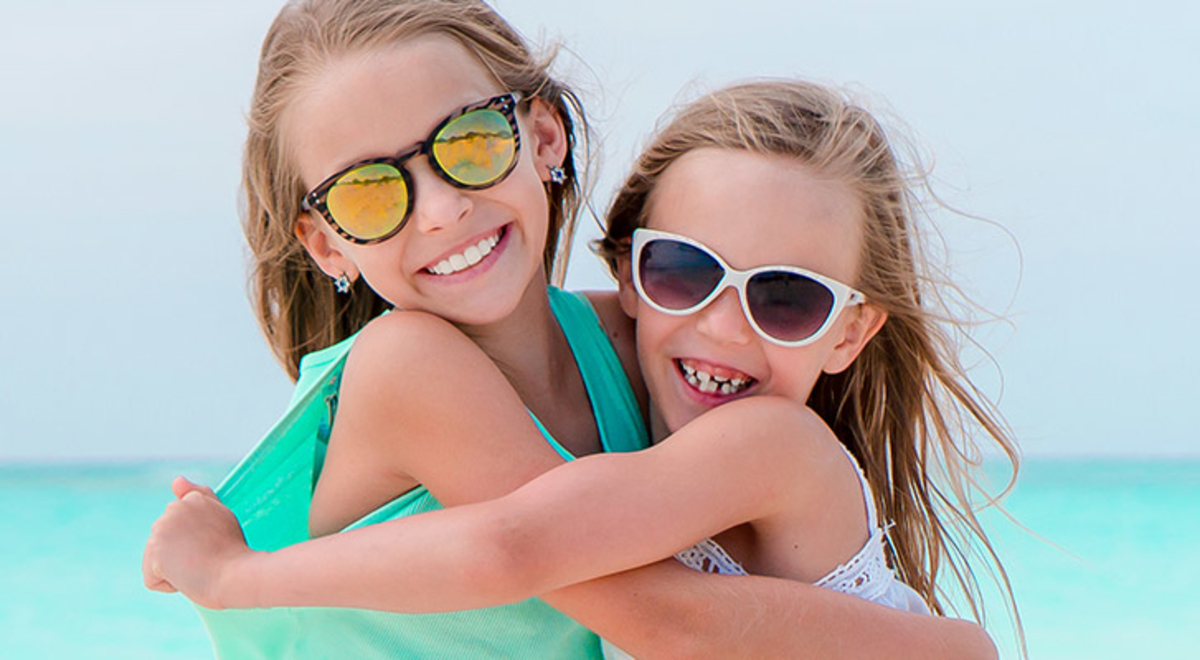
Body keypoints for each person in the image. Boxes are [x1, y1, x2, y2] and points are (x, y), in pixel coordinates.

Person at [144, 63, 1015, 658]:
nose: (722, 329)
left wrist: (233, 574)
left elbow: (519, 550)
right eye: (684, 272)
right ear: (629, 277)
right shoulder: (634, 384)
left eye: (786, 297)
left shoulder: (770, 442)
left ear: (850, 334)